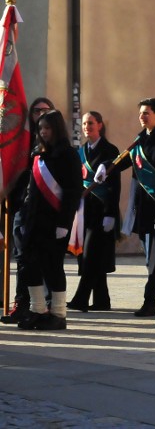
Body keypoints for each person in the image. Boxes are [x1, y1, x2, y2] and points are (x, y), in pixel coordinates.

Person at [98, 98, 155, 317]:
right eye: (141, 113)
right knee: (152, 259)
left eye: (147, 113)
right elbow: (125, 160)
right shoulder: (140, 140)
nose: (142, 116)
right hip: (144, 209)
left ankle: (150, 301)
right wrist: (107, 167)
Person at [16, 109, 83, 330]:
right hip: (33, 220)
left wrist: (64, 223)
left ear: (56, 129)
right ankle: (37, 309)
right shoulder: (37, 154)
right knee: (27, 264)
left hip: (55, 222)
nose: (43, 132)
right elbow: (30, 189)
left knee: (52, 267)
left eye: (47, 128)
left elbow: (73, 192)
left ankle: (58, 313)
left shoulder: (68, 155)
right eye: (41, 128)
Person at [2, 97, 55, 324]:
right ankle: (21, 304)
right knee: (23, 260)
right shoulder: (22, 142)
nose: (40, 114)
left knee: (44, 262)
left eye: (45, 111)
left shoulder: (55, 144)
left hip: (43, 211)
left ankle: (48, 307)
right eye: (36, 111)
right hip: (20, 207)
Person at [68, 112, 121, 312]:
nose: (87, 126)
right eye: (84, 123)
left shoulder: (110, 150)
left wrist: (111, 213)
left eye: (91, 123)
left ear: (100, 125)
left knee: (91, 255)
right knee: (91, 256)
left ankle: (81, 298)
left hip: (102, 211)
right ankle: (102, 300)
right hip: (84, 212)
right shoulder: (80, 151)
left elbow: (114, 186)